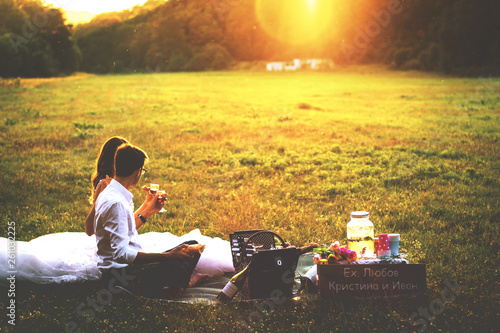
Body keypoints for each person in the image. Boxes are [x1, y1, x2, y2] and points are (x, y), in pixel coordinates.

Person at [94, 143, 208, 298]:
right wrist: (167, 257)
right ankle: (182, 284)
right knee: (183, 257)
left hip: (126, 271)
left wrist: (149, 209)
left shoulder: (113, 194)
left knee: (191, 245)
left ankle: (172, 285)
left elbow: (125, 230)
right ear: (138, 172)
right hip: (120, 278)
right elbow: (121, 254)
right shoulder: (117, 202)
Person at [85, 136, 154, 236]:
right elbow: (89, 230)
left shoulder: (121, 184)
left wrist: (147, 205)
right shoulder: (106, 186)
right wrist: (97, 200)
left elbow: (125, 224)